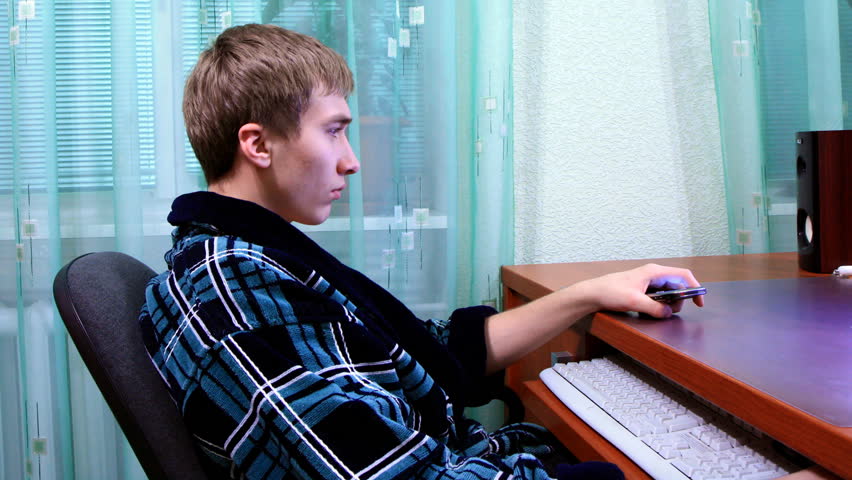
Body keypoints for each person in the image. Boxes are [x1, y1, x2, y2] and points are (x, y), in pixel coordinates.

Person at [138, 23, 704, 480]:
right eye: (334, 131)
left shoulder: (238, 254)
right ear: (258, 144)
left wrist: (586, 294)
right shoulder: (235, 293)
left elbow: (420, 352)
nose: (352, 160)